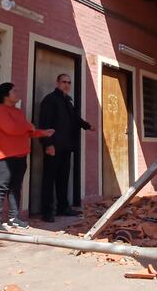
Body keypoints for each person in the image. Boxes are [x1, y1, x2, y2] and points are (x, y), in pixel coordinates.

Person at [0, 82, 53, 230]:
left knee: (15, 188)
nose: (17, 93)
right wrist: (29, 127)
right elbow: (12, 129)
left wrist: (42, 132)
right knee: (0, 188)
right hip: (4, 157)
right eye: (14, 91)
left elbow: (27, 131)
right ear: (6, 95)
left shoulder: (18, 112)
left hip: (20, 155)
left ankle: (13, 217)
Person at [38, 74, 93, 223]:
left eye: (69, 82)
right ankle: (47, 212)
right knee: (49, 180)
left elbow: (75, 118)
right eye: (64, 82)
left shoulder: (68, 101)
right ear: (57, 83)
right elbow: (44, 123)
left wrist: (87, 126)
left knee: (63, 179)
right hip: (53, 147)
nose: (66, 85)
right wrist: (48, 144)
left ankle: (63, 207)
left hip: (66, 146)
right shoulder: (50, 100)